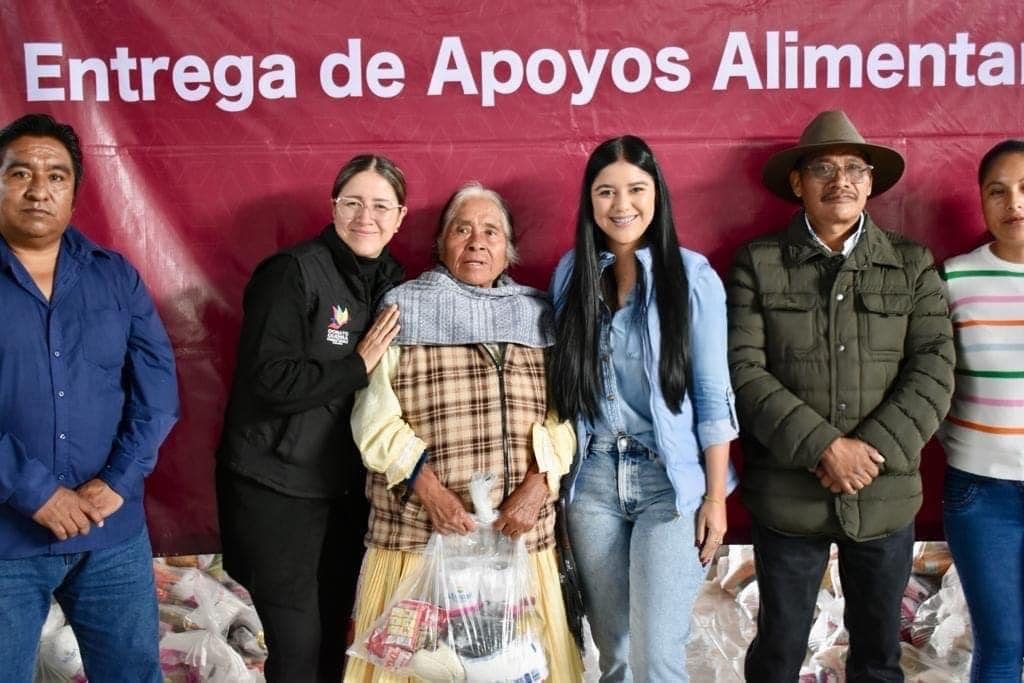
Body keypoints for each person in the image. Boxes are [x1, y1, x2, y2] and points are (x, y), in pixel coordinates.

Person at [726, 110, 955, 681]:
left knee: (879, 659)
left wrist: (866, 451)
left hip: (884, 493)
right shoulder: (758, 263)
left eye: (855, 167)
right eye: (823, 167)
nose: (841, 180)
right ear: (798, 182)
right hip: (787, 495)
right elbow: (743, 371)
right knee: (778, 653)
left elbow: (934, 369)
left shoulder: (911, 263)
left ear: (871, 183)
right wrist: (825, 447)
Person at [345, 182, 584, 682]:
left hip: (515, 540)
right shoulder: (403, 307)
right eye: (463, 229)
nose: (477, 242)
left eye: (491, 231)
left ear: (508, 248)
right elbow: (374, 418)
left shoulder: (539, 314)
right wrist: (430, 492)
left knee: (517, 663)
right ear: (441, 243)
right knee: (420, 667)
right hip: (418, 538)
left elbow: (564, 418)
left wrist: (537, 487)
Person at [547, 135, 739, 682]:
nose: (621, 204)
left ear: (657, 195)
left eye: (635, 188)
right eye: (605, 191)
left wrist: (715, 498)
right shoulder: (571, 276)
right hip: (595, 484)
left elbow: (712, 394)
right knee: (617, 657)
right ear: (589, 201)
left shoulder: (693, 277)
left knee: (656, 659)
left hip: (670, 485)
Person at [0, 113, 179, 681]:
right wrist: (34, 492)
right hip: (6, 541)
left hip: (111, 537)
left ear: (75, 193)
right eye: (20, 172)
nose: (38, 189)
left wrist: (119, 480)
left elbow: (157, 392)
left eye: (56, 176)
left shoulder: (114, 277)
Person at [216, 154, 406, 682]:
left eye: (379, 206)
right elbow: (270, 379)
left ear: (400, 217)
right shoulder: (292, 272)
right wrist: (357, 364)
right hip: (275, 489)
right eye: (353, 203)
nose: (365, 217)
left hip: (344, 493)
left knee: (334, 643)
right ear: (333, 207)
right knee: (296, 647)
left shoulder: (394, 283)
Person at [939, 139, 1024, 681]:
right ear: (982, 201)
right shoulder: (953, 278)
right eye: (998, 191)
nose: (1014, 202)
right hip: (981, 490)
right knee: (1000, 645)